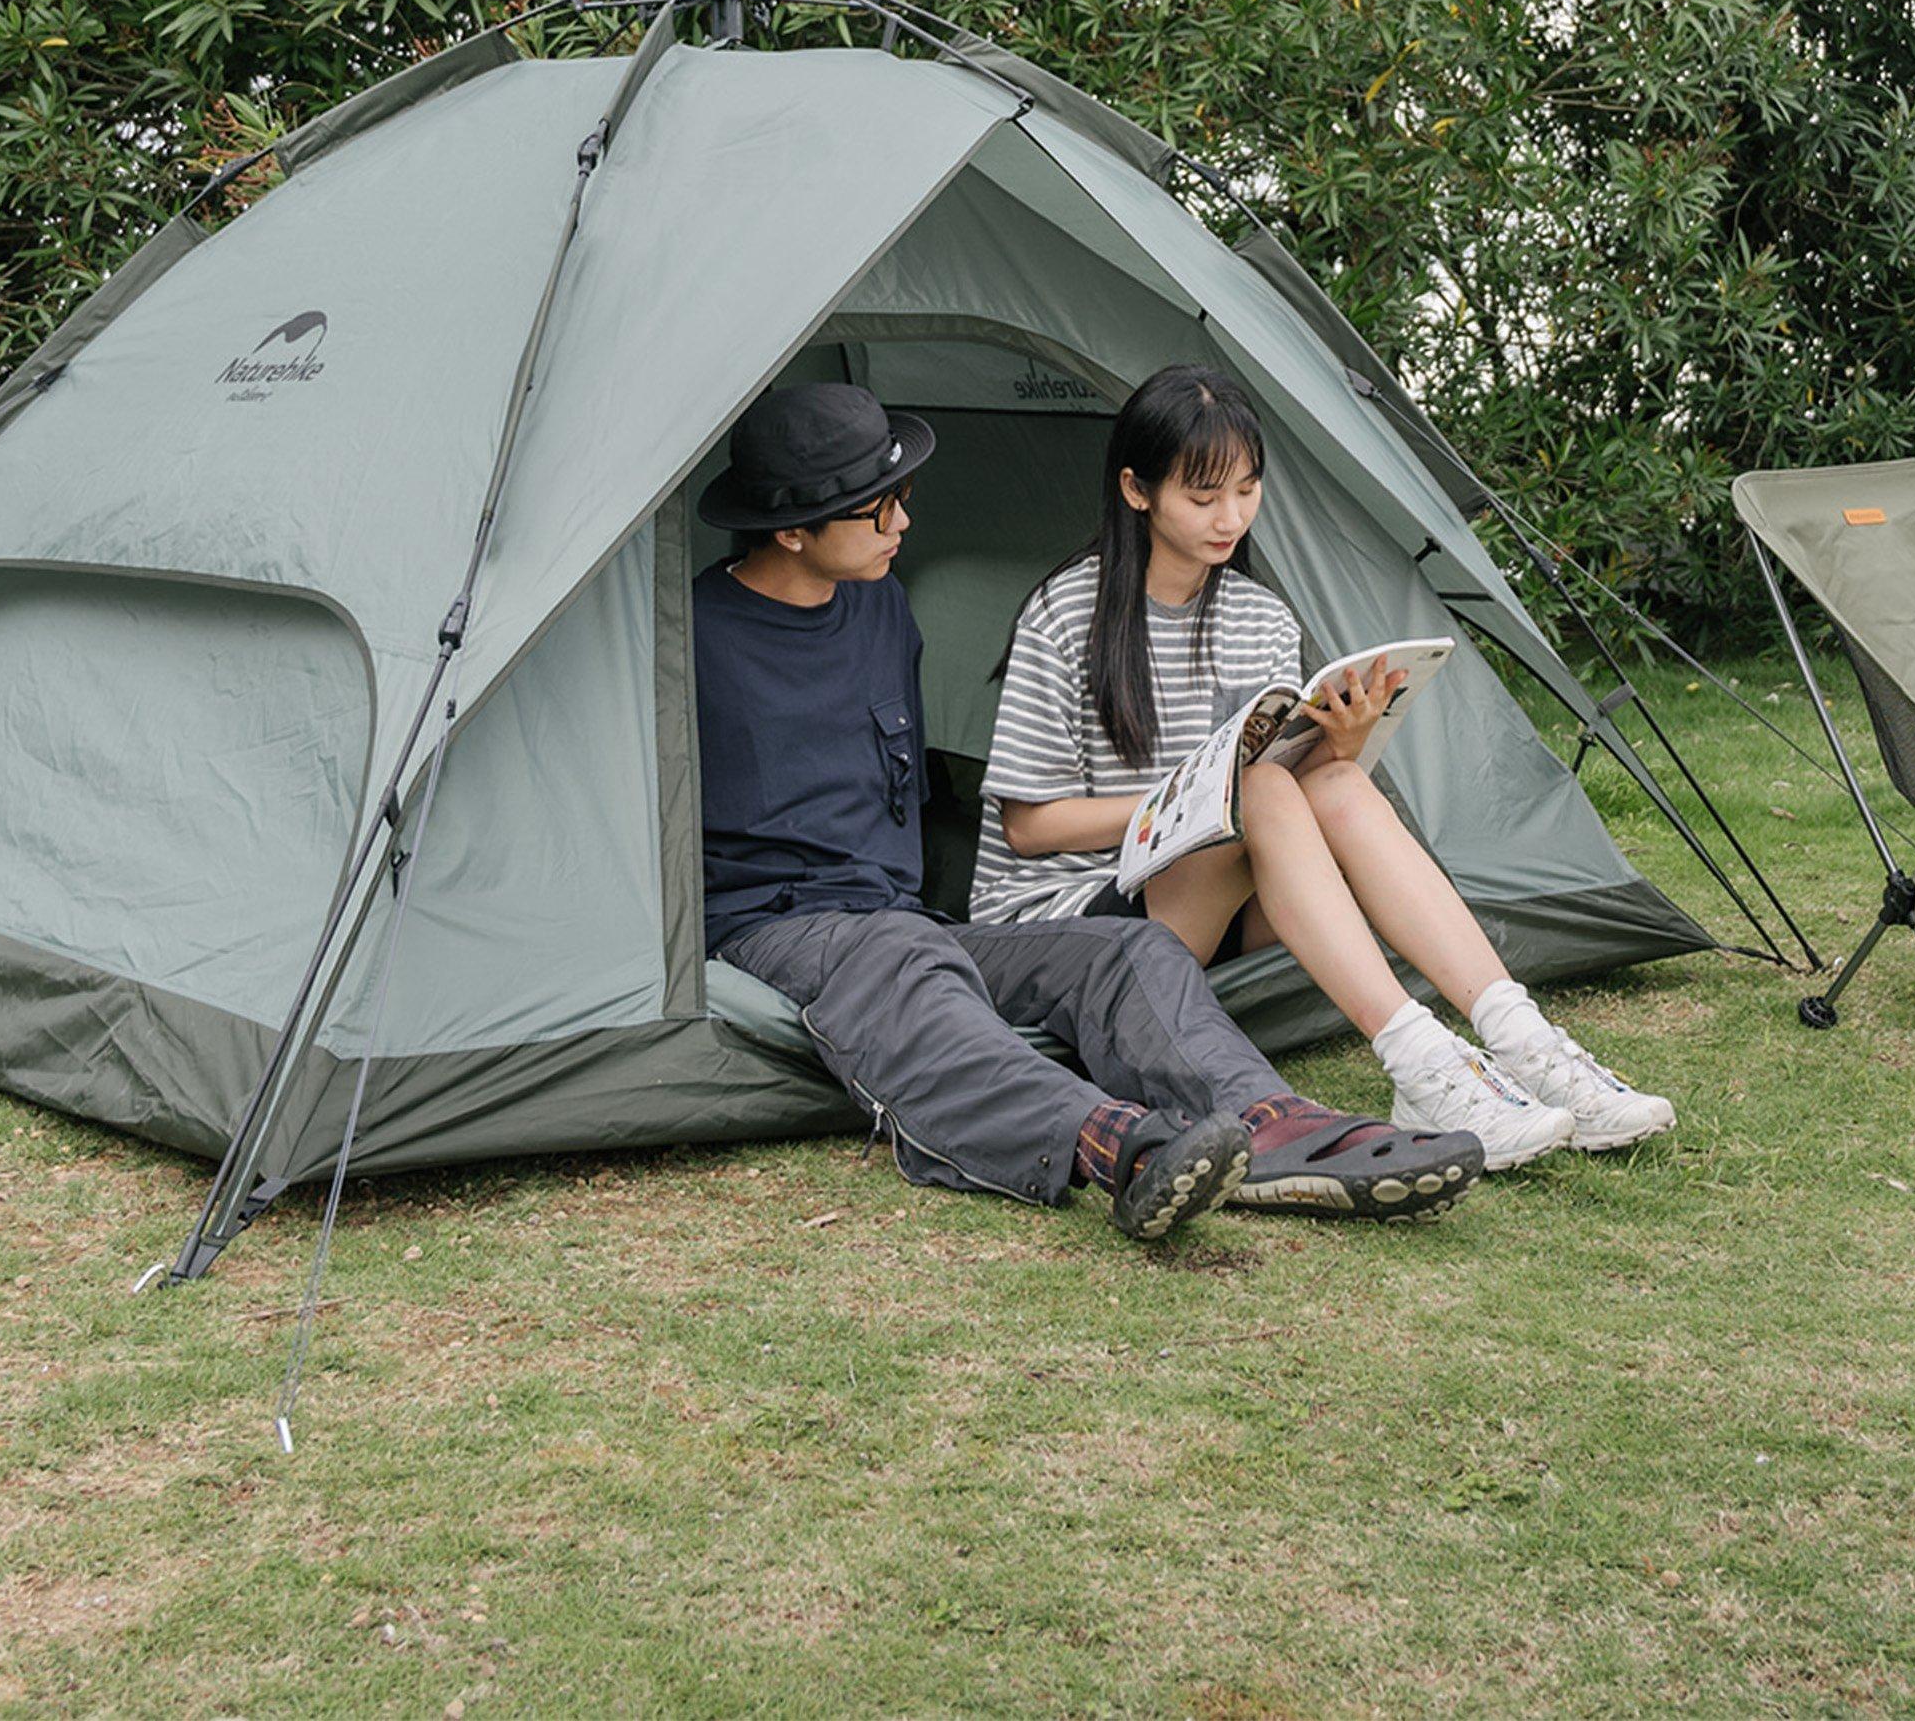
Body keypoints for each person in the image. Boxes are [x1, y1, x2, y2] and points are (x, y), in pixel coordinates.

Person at [694, 381, 1483, 1239]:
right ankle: (1123, 1149)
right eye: (878, 511)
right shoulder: (693, 633)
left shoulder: (880, 606)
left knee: (1123, 946)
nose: (904, 526)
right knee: (906, 968)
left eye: (903, 499)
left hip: (905, 914)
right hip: (778, 923)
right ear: (790, 529)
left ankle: (1275, 1125)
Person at [971, 364, 1677, 1166]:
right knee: (1259, 788)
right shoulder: (1067, 611)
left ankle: (1524, 1039)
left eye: (1246, 489)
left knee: (1327, 780)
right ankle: (1421, 1060)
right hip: (1073, 923)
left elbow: (1276, 789)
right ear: (1137, 491)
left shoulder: (1257, 616)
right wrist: (1191, 800)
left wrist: (1339, 746)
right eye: (1202, 497)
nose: (1229, 517)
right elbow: (1030, 829)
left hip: (1215, 895)